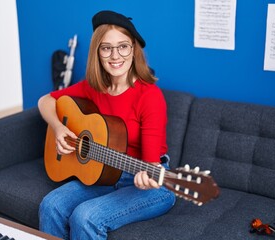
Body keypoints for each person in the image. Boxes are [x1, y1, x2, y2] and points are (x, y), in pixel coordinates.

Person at [38, 10, 176, 239]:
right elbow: (45, 100)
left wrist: (146, 177)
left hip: (152, 182)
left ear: (134, 50)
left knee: (85, 217)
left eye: (123, 46)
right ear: (98, 53)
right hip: (105, 171)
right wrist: (58, 128)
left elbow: (152, 166)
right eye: (106, 48)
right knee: (50, 205)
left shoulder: (150, 96)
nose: (115, 55)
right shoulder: (93, 88)